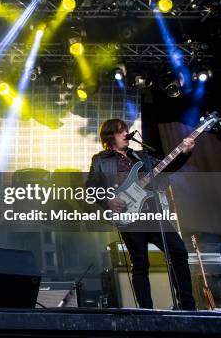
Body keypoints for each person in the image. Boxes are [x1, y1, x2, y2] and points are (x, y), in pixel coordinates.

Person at [86, 118, 196, 310]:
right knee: (140, 263)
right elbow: (90, 188)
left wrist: (184, 153)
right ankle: (146, 311)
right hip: (129, 218)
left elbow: (165, 168)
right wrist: (107, 201)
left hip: (153, 213)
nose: (125, 134)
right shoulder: (100, 160)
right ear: (110, 136)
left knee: (178, 251)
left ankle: (187, 306)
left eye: (126, 130)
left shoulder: (140, 156)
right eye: (121, 131)